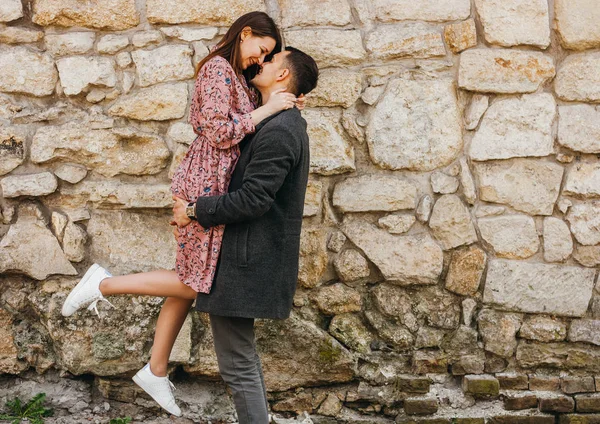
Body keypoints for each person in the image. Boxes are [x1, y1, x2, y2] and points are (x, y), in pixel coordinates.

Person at [60, 11, 301, 417]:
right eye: (262, 49)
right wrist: (267, 110)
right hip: (204, 184)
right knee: (198, 283)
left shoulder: (238, 76)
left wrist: (283, 101)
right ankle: (105, 284)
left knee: (193, 279)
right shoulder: (217, 69)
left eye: (269, 58)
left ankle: (155, 369)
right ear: (245, 34)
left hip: (214, 185)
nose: (261, 60)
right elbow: (219, 131)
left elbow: (249, 116)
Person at [172, 46, 319, 424]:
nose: (261, 62)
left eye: (271, 60)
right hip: (242, 258)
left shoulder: (281, 131)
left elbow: (254, 200)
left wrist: (194, 210)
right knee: (241, 359)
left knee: (237, 363)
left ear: (284, 75)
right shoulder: (276, 121)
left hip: (244, 262)